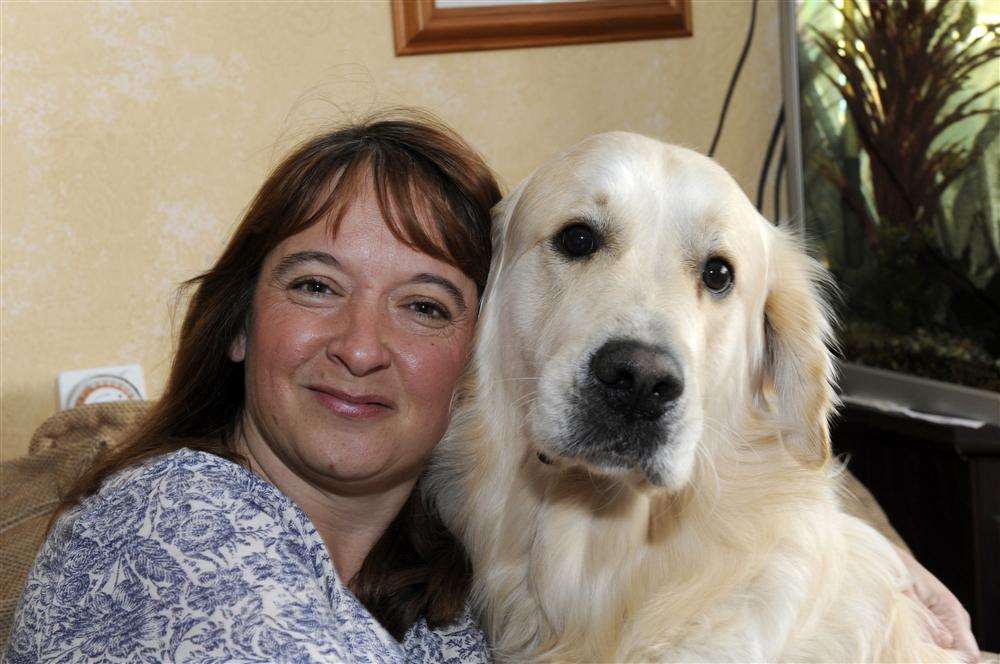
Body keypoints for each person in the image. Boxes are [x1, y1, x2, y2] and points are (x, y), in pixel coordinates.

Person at [3, 111, 980, 663]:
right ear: (235, 323)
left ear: (475, 344)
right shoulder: (176, 526)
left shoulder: (457, 596)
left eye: (425, 304)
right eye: (313, 285)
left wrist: (870, 562)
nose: (360, 343)